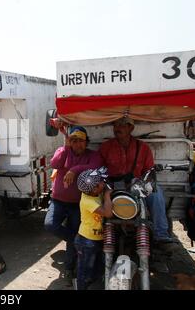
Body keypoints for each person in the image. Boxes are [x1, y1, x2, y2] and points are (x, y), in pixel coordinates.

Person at [99, 117, 177, 250]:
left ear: (131, 128)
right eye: (115, 125)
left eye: (122, 125)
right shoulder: (106, 147)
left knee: (156, 192)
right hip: (112, 185)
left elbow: (149, 172)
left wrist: (141, 185)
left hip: (136, 184)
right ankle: (95, 237)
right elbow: (99, 170)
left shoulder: (143, 148)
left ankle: (161, 235)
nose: (118, 128)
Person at [44, 126, 104, 282]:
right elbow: (55, 164)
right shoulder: (63, 151)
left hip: (78, 205)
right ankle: (76, 239)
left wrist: (74, 170)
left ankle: (69, 269)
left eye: (80, 141)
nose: (77, 144)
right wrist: (65, 145)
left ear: (86, 142)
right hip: (58, 200)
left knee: (73, 232)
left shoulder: (93, 155)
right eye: (74, 141)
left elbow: (96, 166)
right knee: (50, 224)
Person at [74, 167, 112, 290]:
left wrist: (105, 189)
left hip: (95, 239)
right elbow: (108, 213)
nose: (103, 183)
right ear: (95, 188)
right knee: (85, 271)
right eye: (100, 182)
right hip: (86, 241)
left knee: (96, 268)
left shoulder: (94, 191)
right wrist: (107, 195)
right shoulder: (88, 201)